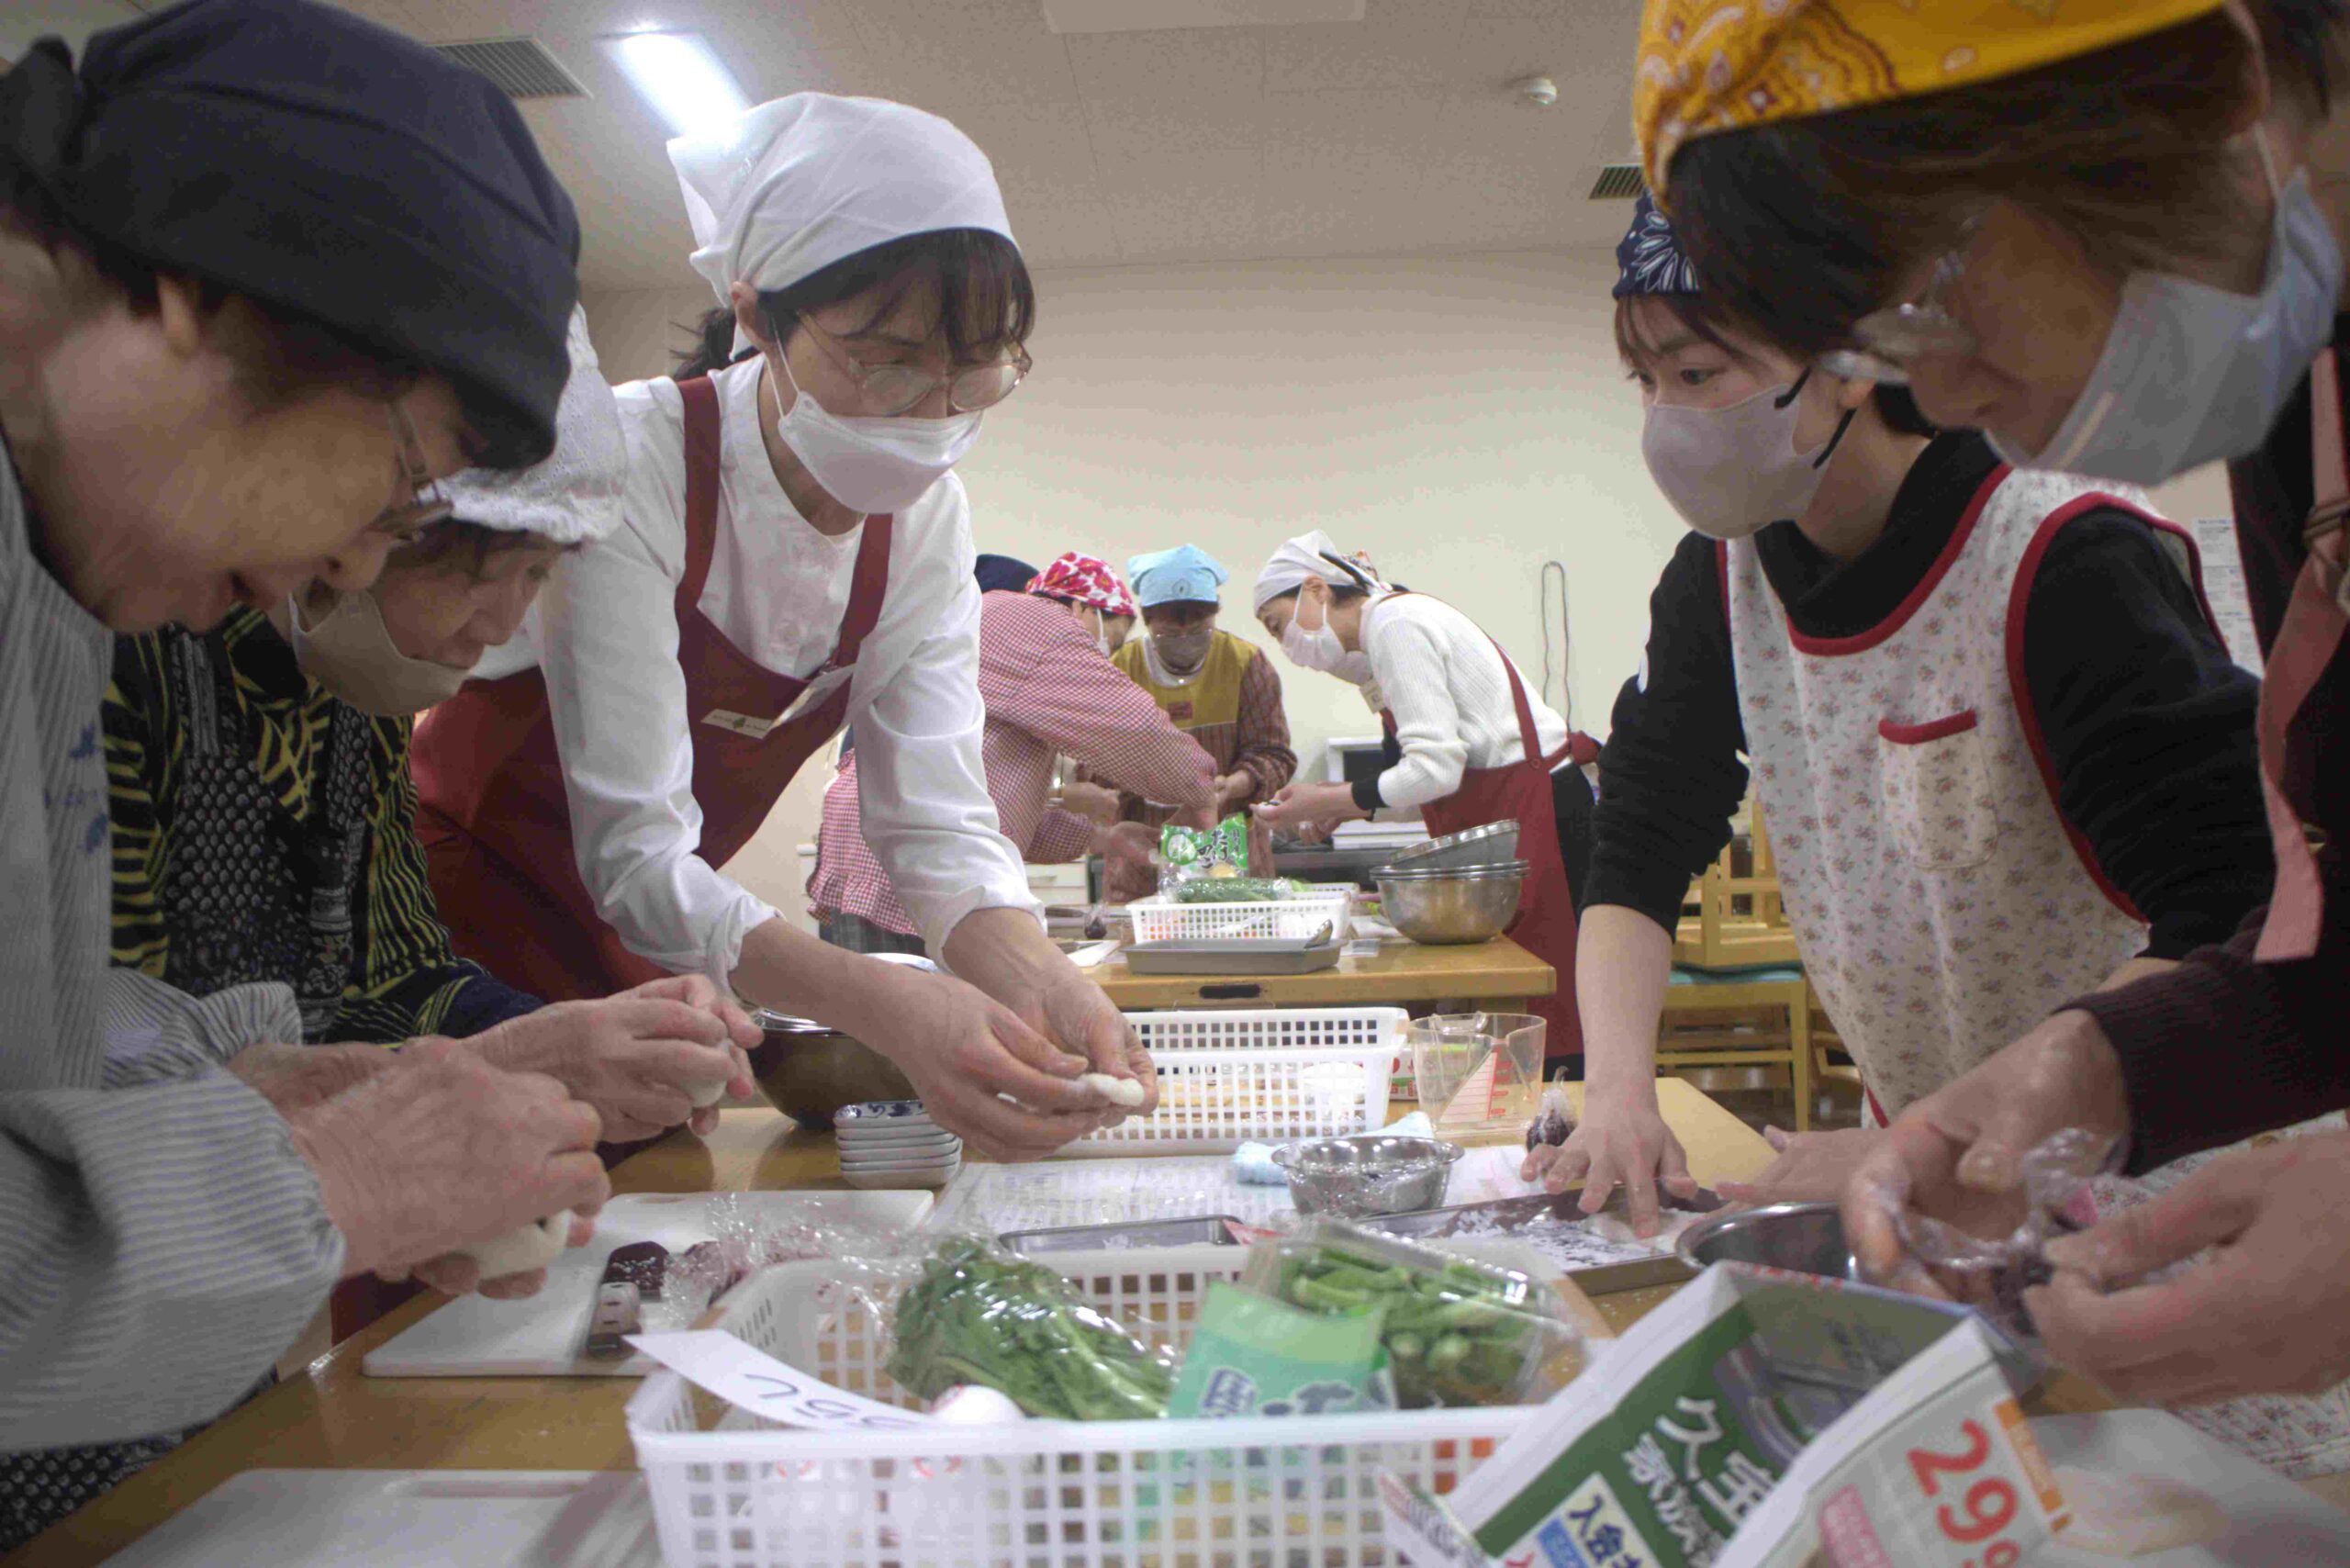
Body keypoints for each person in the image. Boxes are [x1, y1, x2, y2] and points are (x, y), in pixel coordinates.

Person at [1632, 0, 2350, 1403]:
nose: (1943, 395)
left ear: (2181, 89)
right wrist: (2105, 1060)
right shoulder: (2303, 411)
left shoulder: (2064, 552)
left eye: (1928, 300)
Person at [0, 0, 615, 1459]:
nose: (345, 568)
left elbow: (34, 1041)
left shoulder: (61, 565)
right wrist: (317, 1181)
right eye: (407, 494)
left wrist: (231, 1091)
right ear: (202, 297)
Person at [409, 94, 1153, 1163]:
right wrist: (891, 1007)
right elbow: (635, 852)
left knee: (632, 1227)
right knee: (469, 1230)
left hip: (657, 937)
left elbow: (936, 823)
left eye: (977, 364)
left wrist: (1042, 980)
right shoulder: (637, 462)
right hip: (471, 919)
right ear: (758, 318)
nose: (932, 409)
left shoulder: (925, 522)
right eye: (886, 359)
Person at [1522, 194, 2269, 1240]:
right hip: (1926, 1174)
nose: (1666, 420)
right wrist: (1614, 1093)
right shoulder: (1721, 583)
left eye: (1697, 375)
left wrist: (1954, 1138)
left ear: (1850, 360)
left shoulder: (2061, 557)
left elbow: (2231, 910)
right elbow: (1640, 837)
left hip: (2153, 1164)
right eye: (1644, 383)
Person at [1251, 531, 1596, 1064]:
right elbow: (1427, 781)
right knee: (1521, 1011)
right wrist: (1339, 804)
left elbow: (1435, 770)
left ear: (1316, 590)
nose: (1286, 644)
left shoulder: (1397, 625)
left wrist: (1332, 801)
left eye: (1279, 626)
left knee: (1552, 1017)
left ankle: (1566, 1124)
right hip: (1511, 821)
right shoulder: (1386, 637)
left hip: (1543, 816)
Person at [811, 554, 1218, 951]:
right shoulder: (1040, 623)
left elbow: (1006, 813)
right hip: (909, 858)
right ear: (1082, 607)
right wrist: (1201, 789)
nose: (1102, 657)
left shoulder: (992, 625)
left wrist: (1105, 838)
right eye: (1110, 638)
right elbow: (1135, 731)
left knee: (896, 1013)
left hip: (882, 842)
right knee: (924, 1013)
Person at [1111, 544, 1296, 834]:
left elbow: (1274, 755)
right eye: (1170, 634)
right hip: (1143, 836)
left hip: (1229, 835)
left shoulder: (1244, 663)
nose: (1185, 640)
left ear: (1215, 616)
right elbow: (1095, 761)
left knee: (1224, 880)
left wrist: (1232, 785)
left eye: (1198, 630)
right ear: (1147, 621)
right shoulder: (1121, 669)